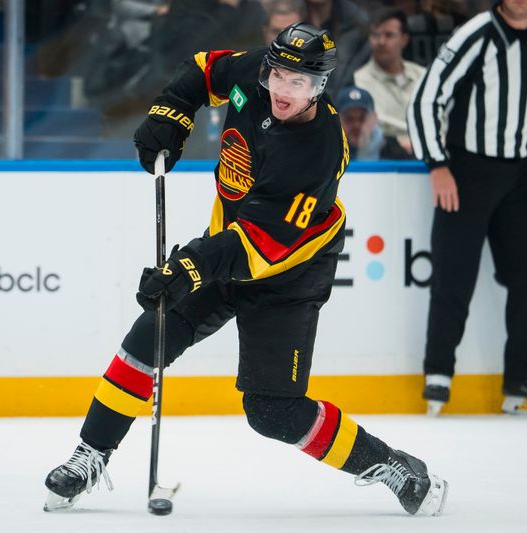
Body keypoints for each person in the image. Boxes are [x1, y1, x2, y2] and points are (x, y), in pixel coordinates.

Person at [43, 23, 448, 517]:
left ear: (319, 87)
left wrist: (188, 266)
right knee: (148, 336)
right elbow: (201, 70)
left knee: (273, 412)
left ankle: (388, 464)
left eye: (298, 83)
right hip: (228, 251)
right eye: (278, 75)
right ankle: (91, 454)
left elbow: (262, 244)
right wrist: (171, 112)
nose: (282, 89)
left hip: (289, 277)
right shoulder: (253, 75)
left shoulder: (316, 151)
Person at [407, 0, 527, 416]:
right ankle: (438, 373)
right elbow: (425, 98)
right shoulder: (476, 33)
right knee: (453, 275)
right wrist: (438, 164)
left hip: (520, 174)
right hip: (467, 170)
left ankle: (522, 375)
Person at [353, 8, 424, 157]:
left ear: (404, 39)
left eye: (389, 35)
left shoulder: (423, 76)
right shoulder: (358, 82)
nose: (381, 42)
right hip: (385, 159)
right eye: (375, 35)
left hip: (430, 157)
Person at [337, 85, 384, 160]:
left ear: (374, 119)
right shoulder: (327, 153)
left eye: (363, 118)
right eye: (349, 119)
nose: (356, 125)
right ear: (337, 120)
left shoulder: (393, 152)